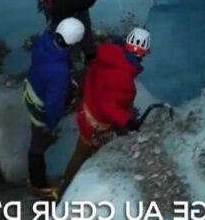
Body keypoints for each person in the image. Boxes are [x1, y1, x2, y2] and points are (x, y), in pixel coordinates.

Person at [60, 27, 151, 191]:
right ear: (142, 54)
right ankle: (67, 188)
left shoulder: (107, 54)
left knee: (81, 151)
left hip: (87, 109)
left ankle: (66, 184)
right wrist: (127, 121)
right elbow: (108, 105)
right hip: (96, 123)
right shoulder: (124, 79)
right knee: (83, 153)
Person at [23, 17, 86, 200]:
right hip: (40, 105)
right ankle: (38, 184)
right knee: (37, 146)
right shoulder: (59, 71)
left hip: (31, 89)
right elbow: (54, 104)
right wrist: (50, 124)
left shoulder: (44, 41)